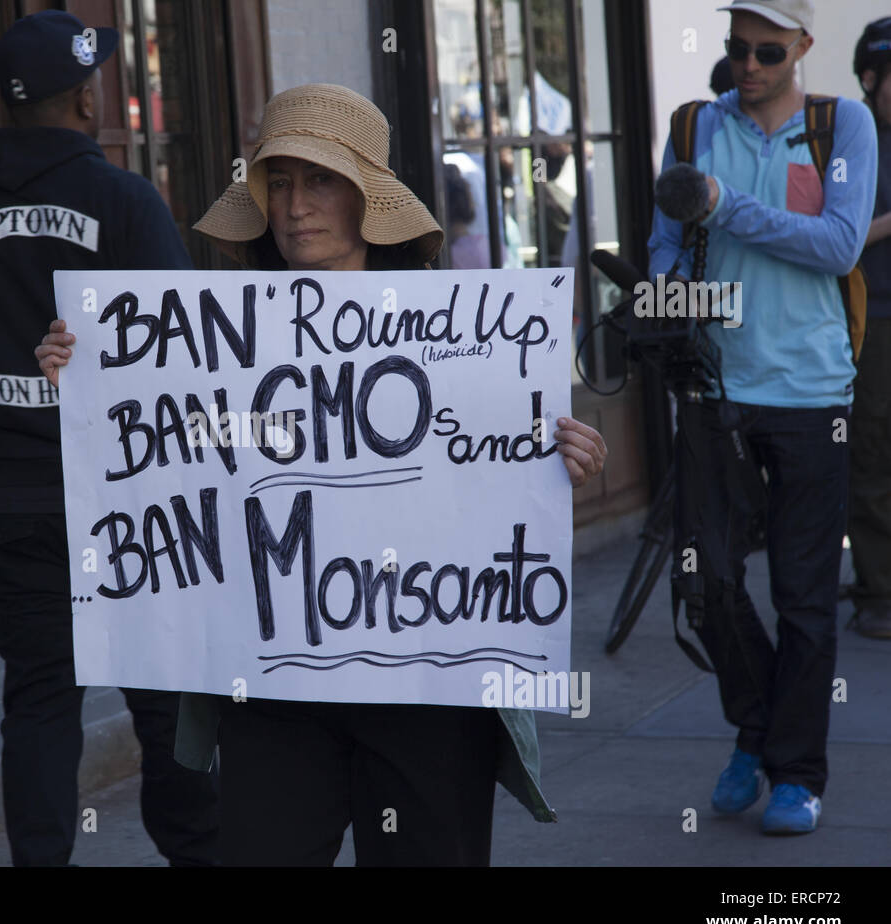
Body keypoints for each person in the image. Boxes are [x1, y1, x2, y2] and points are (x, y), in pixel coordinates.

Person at [37, 83, 609, 866]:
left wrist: (560, 455)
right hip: (272, 689)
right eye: (278, 181)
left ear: (367, 197)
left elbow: (497, 469)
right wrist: (87, 380)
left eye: (320, 180)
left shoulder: (461, 329)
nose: (294, 204)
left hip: (425, 689)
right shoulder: (212, 337)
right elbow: (156, 455)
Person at [0, 10, 219, 867]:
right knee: (164, 704)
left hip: (12, 500)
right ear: (85, 98)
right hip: (131, 499)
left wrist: (10, 373)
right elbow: (183, 347)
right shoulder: (122, 198)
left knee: (41, 703)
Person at [648, 0, 877, 834]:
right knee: (702, 581)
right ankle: (759, 726)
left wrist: (723, 206)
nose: (749, 65)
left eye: (768, 51)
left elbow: (839, 245)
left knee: (804, 596)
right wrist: (663, 293)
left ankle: (796, 771)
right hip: (713, 388)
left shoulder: (842, 125)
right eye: (738, 48)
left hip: (814, 393)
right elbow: (665, 245)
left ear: (803, 48)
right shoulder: (690, 127)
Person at [847, 16, 891, 639]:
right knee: (873, 461)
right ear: (870, 78)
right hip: (874, 322)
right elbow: (838, 241)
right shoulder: (854, 143)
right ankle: (880, 595)